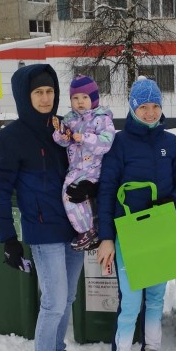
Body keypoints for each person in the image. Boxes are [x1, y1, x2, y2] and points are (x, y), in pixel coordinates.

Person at [0, 63, 92, 351]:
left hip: (73, 228)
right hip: (42, 231)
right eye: (38, 93)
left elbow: (86, 165)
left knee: (68, 299)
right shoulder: (10, 138)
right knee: (54, 302)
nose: (46, 98)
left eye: (49, 91)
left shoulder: (64, 129)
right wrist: (8, 239)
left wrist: (88, 187)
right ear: (24, 96)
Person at [96, 77, 176, 351]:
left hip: (160, 231)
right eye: (143, 107)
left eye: (155, 106)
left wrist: (174, 202)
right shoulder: (119, 144)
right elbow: (106, 191)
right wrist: (106, 238)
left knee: (155, 301)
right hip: (129, 234)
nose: (150, 113)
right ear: (133, 108)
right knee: (131, 304)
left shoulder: (171, 143)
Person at [52, 75, 116, 251]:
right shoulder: (69, 119)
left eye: (84, 97)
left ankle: (87, 230)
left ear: (93, 99)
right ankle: (88, 230)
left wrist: (85, 138)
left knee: (76, 196)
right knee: (72, 196)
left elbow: (106, 142)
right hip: (75, 168)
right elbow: (62, 141)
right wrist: (62, 135)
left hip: (94, 169)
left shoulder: (102, 119)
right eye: (75, 98)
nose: (80, 102)